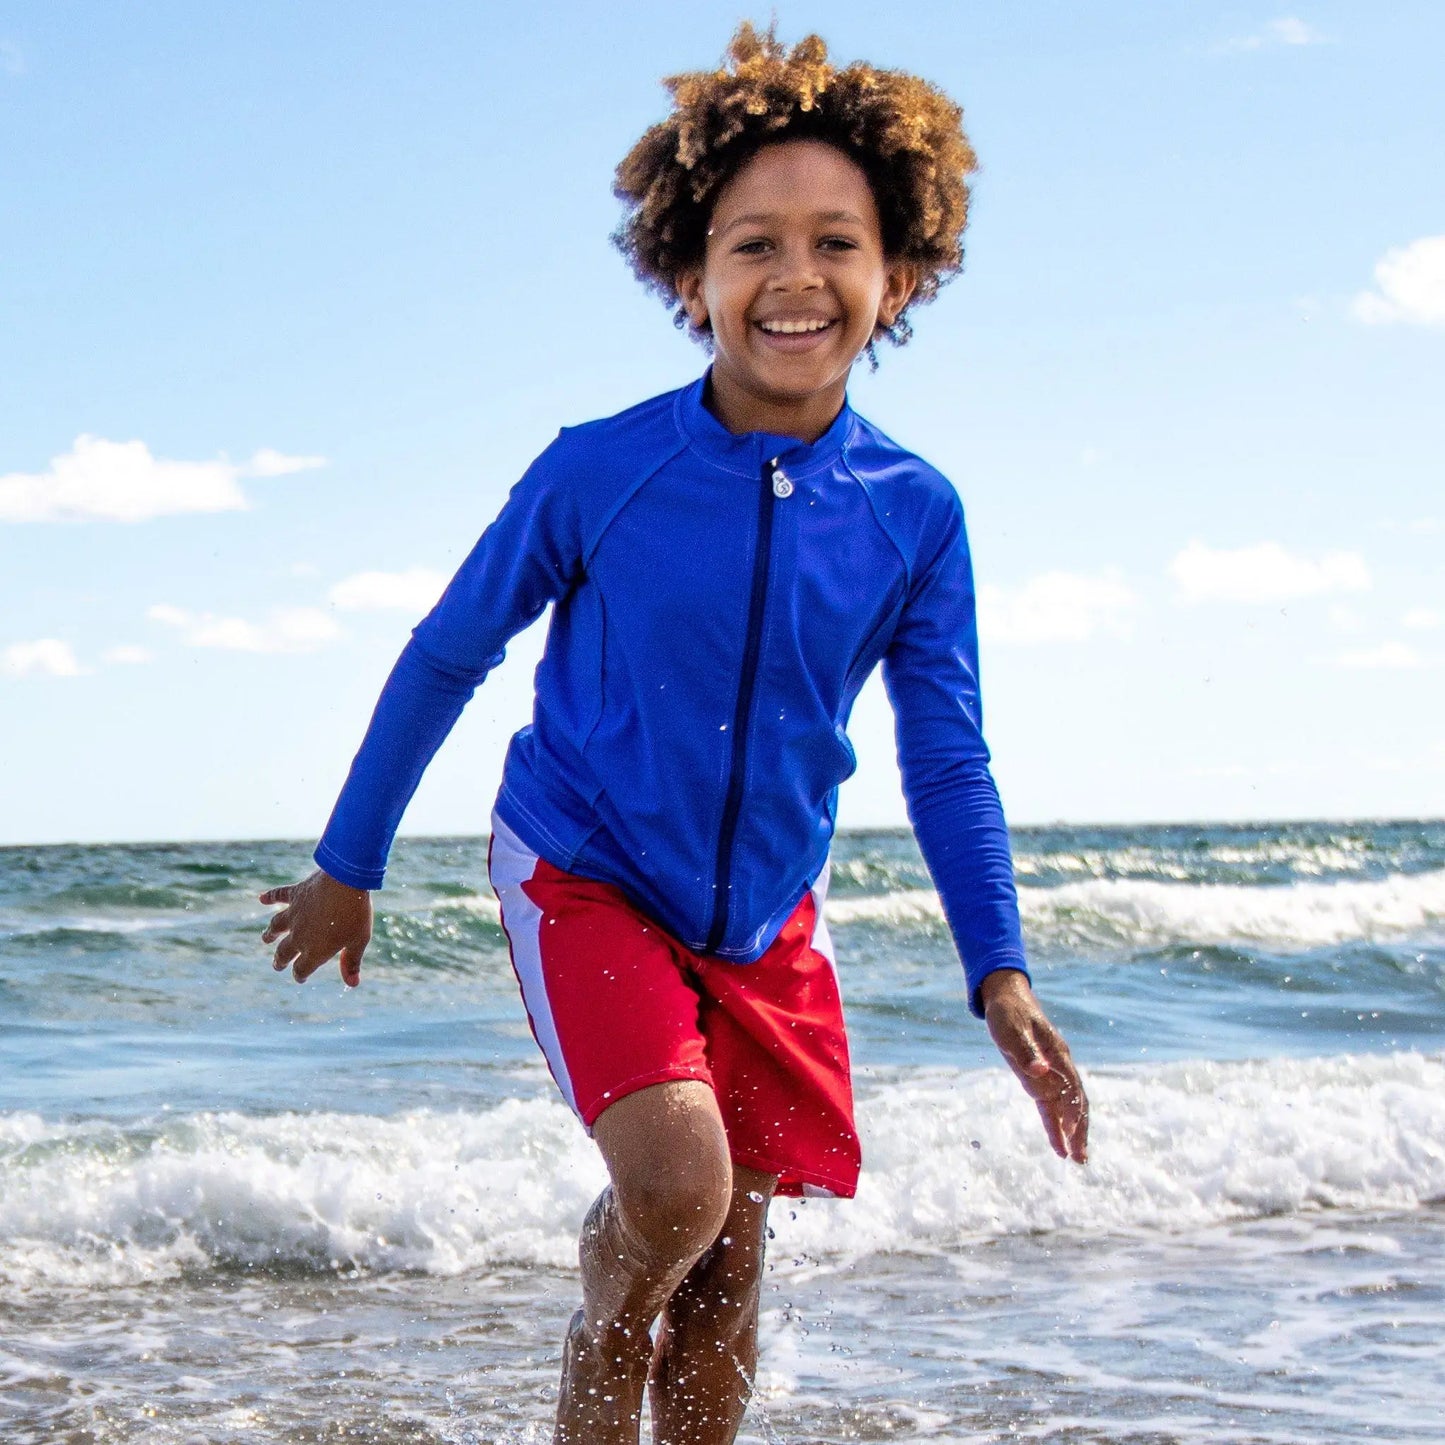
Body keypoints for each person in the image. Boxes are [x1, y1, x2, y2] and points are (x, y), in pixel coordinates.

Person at [260, 23, 1088, 1444]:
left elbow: (946, 754)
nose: (794, 277)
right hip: (582, 863)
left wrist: (996, 972)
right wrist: (351, 862)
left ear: (898, 278)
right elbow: (450, 652)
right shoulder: (603, 469)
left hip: (764, 914)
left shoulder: (912, 509)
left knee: (730, 1262)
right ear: (688, 273)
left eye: (837, 242)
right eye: (751, 243)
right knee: (672, 1196)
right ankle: (603, 1295)